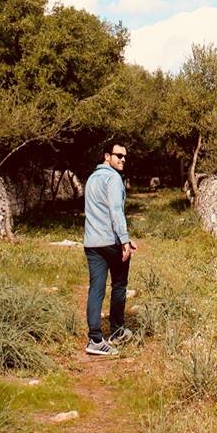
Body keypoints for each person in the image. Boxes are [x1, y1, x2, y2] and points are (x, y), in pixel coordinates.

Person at [83, 140, 137, 355]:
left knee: (96, 289)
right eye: (118, 156)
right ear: (107, 156)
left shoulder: (91, 178)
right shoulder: (113, 178)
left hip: (92, 243)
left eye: (125, 156)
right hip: (110, 243)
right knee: (119, 285)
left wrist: (125, 237)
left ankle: (95, 340)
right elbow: (115, 211)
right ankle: (116, 331)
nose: (122, 160)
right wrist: (124, 240)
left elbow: (98, 213)